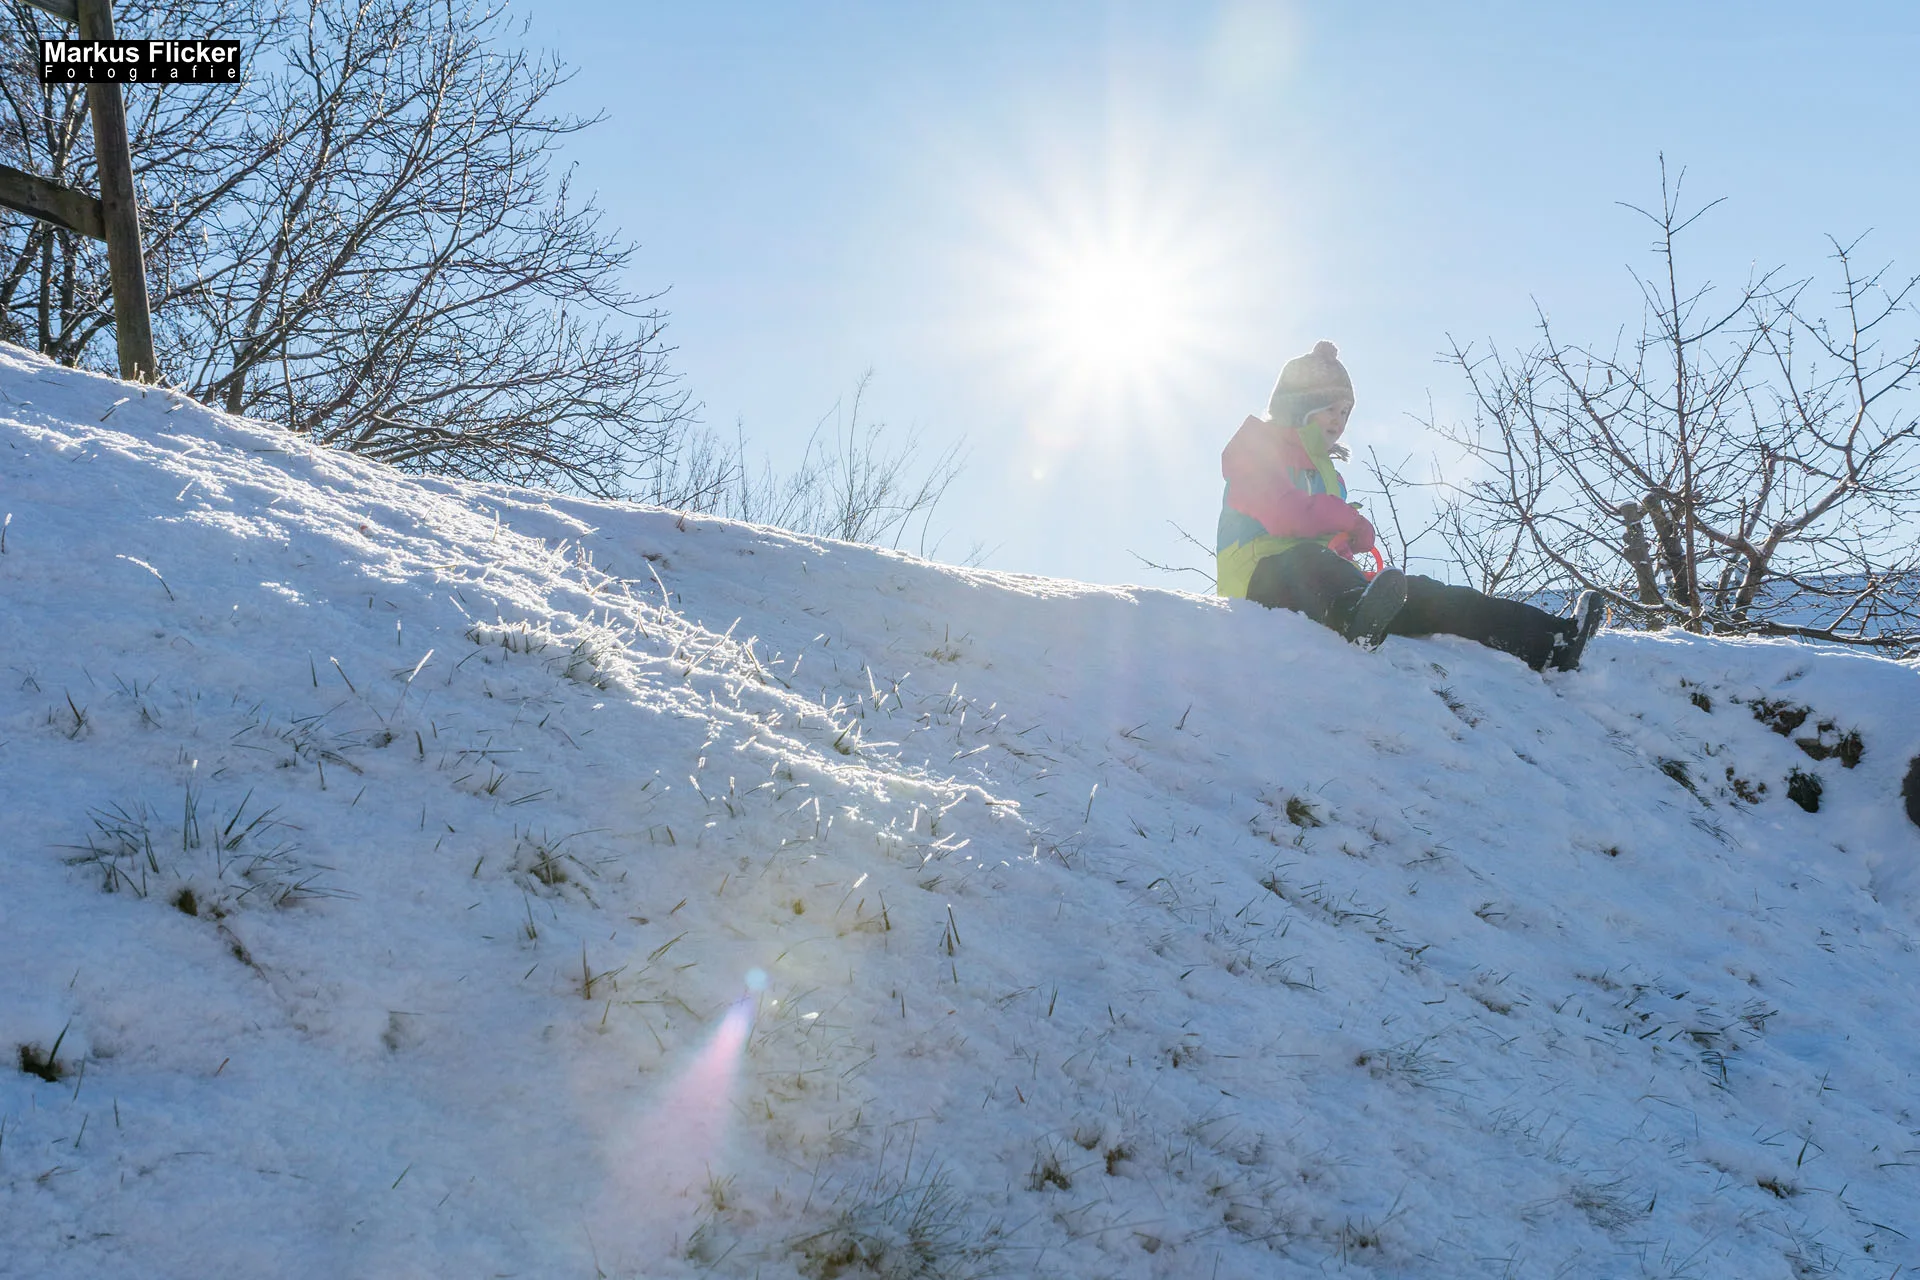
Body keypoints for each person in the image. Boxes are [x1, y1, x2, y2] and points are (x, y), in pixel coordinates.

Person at [1217, 340, 1604, 672]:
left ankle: (1551, 643)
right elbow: (1286, 515)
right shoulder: (1253, 449)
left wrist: (1344, 542)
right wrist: (1349, 519)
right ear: (1298, 405)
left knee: (1426, 594)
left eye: (1345, 412)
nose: (1339, 419)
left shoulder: (1329, 475)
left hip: (1324, 586)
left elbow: (1320, 535)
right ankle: (1356, 617)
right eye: (1328, 407)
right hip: (1258, 579)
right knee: (1303, 559)